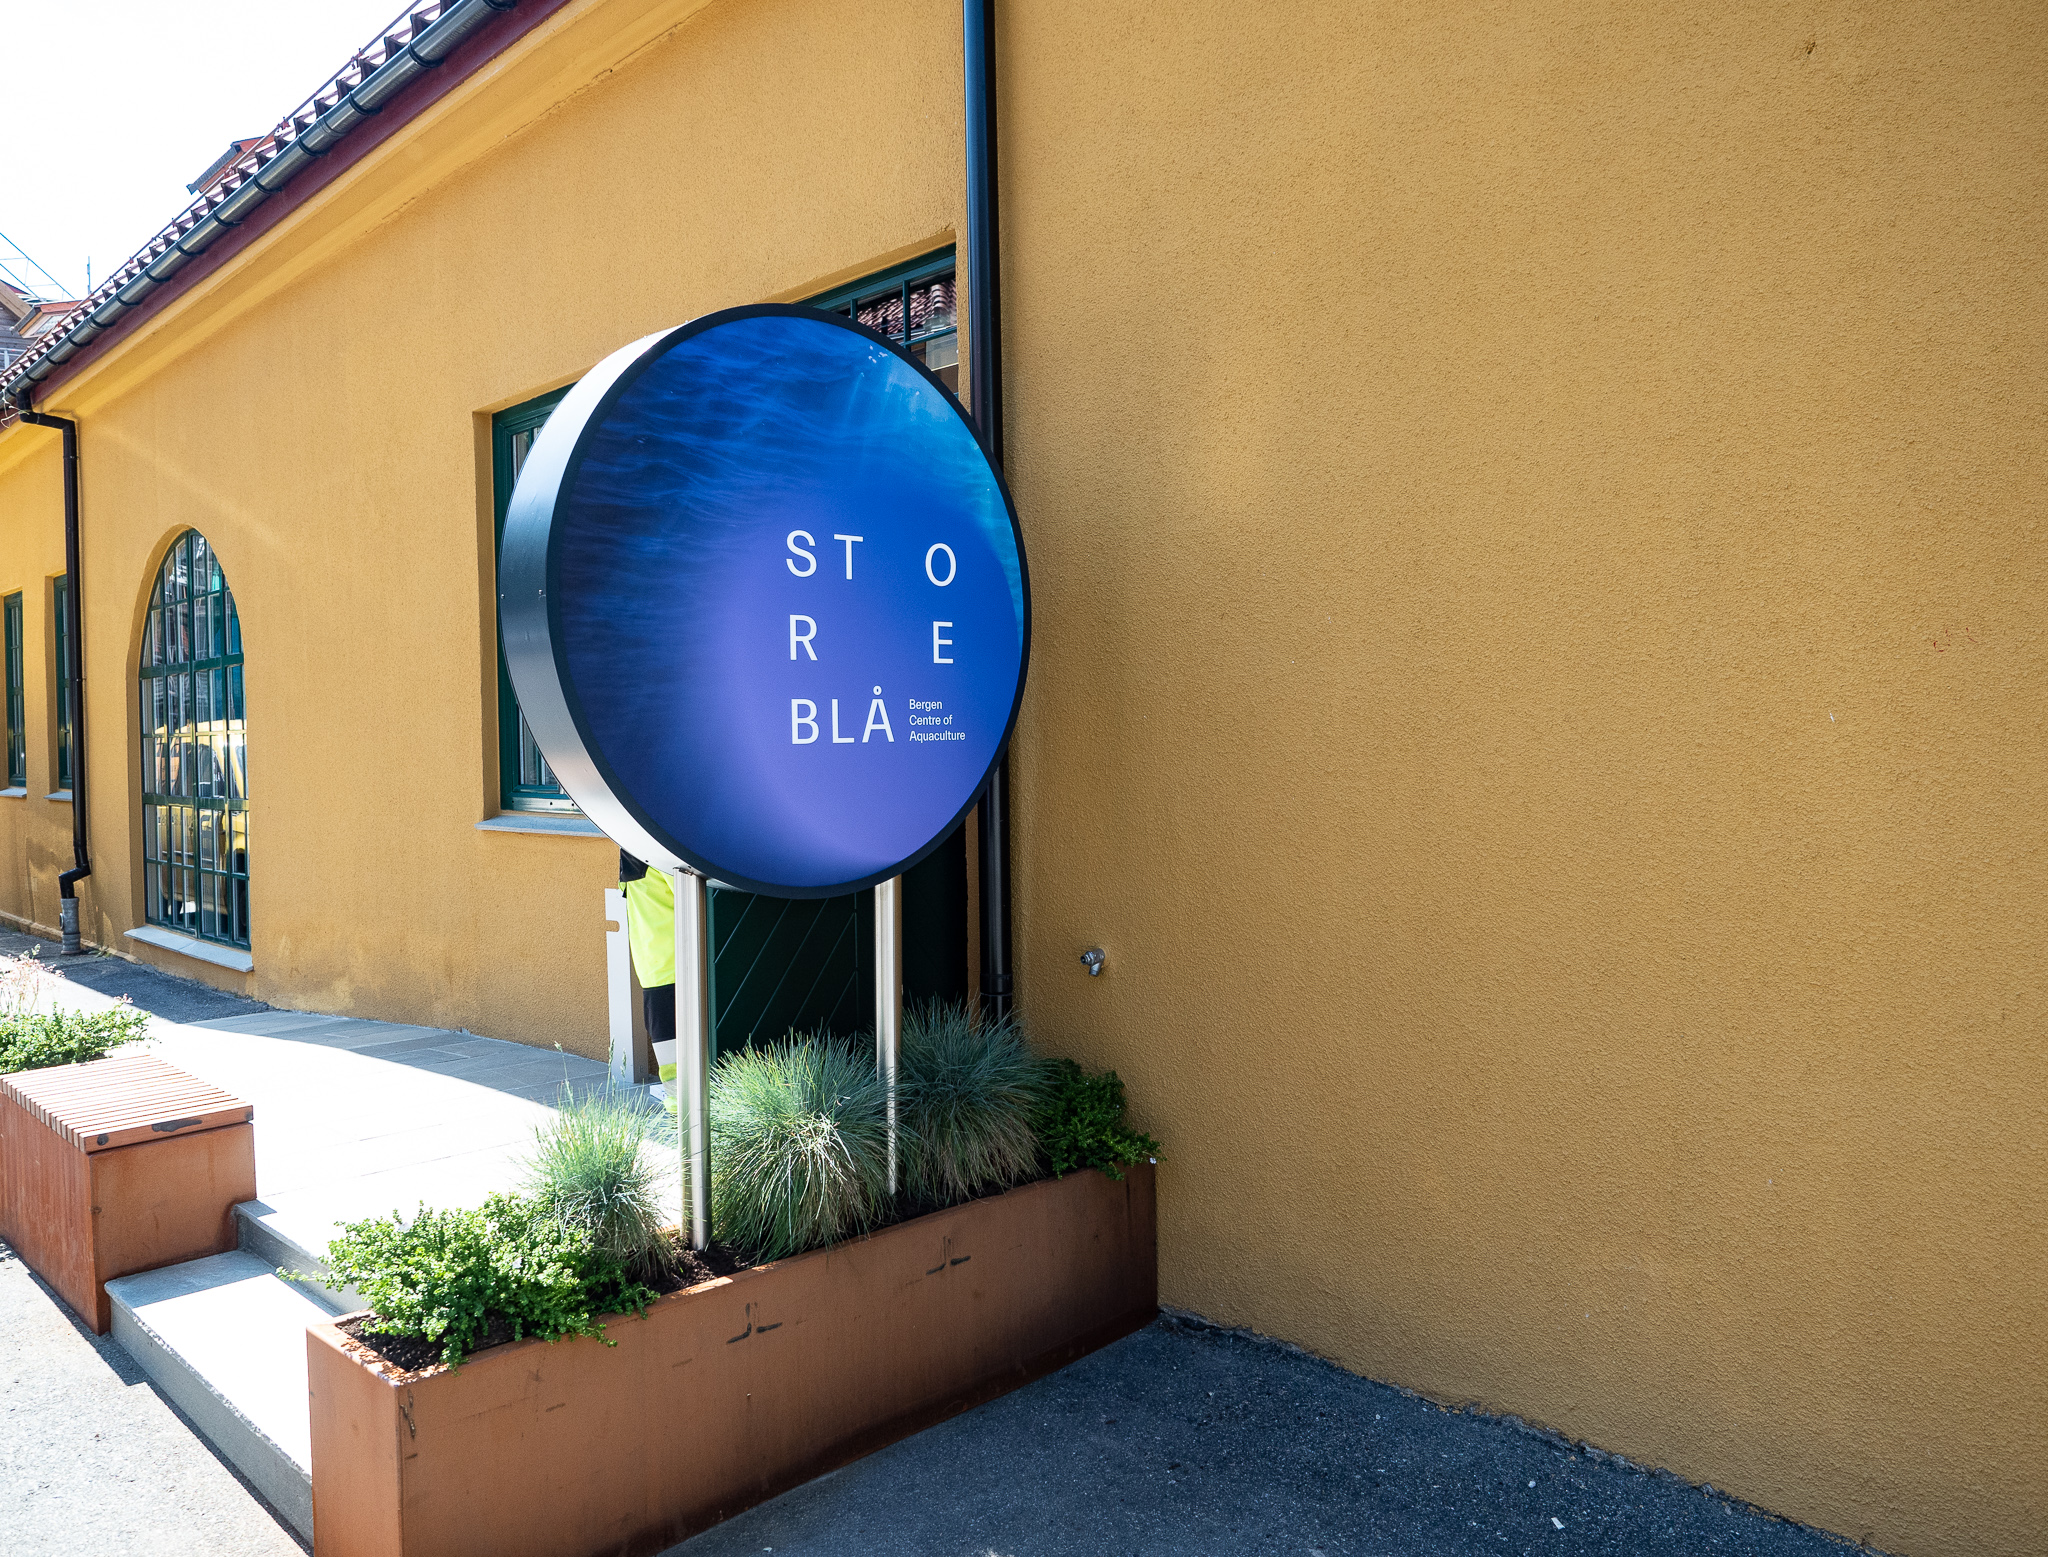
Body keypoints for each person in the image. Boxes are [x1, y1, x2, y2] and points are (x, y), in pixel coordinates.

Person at [618, 851, 677, 1098]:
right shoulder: (666, 853)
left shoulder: (633, 853)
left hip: (655, 972)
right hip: (685, 969)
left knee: (671, 1056)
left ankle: (679, 1105)